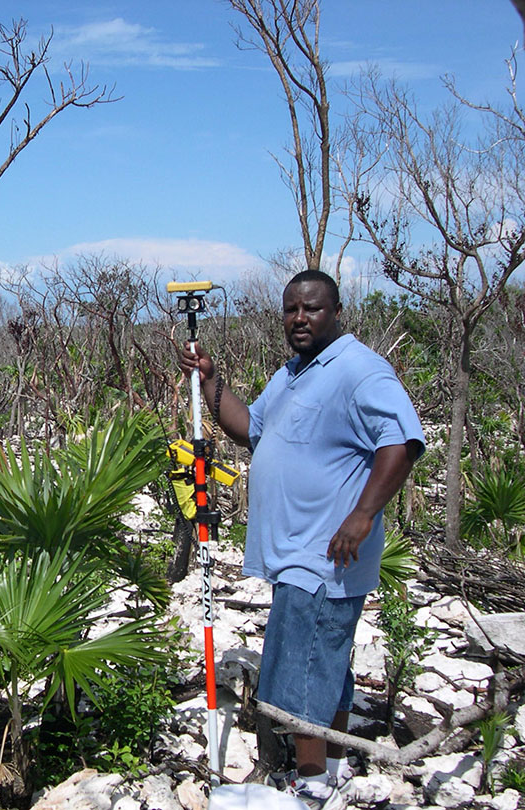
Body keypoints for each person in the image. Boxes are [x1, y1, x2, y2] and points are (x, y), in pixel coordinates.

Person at [180, 270, 424, 810]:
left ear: (336, 310)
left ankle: (310, 785)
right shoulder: (293, 372)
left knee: (302, 665)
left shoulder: (360, 370)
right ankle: (331, 769)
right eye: (291, 309)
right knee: (325, 661)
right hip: (294, 551)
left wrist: (362, 515)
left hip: (324, 553)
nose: (299, 318)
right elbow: (250, 428)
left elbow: (401, 442)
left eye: (311, 309)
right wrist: (210, 378)